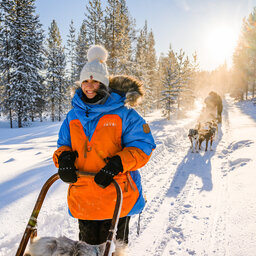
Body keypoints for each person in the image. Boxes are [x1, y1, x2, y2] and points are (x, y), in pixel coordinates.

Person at [52, 45, 156, 254]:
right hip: (84, 197)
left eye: (95, 81)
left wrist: (117, 164)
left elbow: (143, 146)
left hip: (116, 196)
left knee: (112, 251)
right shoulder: (73, 116)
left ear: (104, 84)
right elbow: (63, 145)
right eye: (85, 81)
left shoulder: (125, 114)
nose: (89, 86)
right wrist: (63, 159)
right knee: (87, 251)